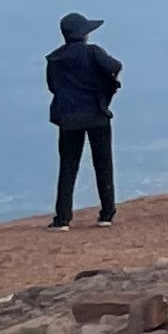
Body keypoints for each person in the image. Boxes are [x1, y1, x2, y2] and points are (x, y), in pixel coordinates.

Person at [45, 13, 119, 227]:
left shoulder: (54, 58)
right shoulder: (93, 52)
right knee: (103, 164)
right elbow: (115, 66)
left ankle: (62, 218)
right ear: (83, 34)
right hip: (97, 115)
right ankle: (106, 214)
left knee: (68, 166)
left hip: (68, 118)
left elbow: (52, 86)